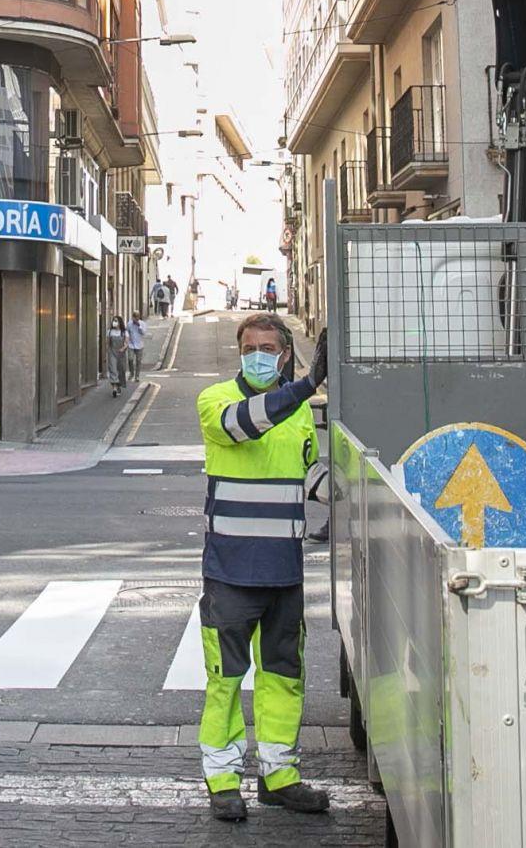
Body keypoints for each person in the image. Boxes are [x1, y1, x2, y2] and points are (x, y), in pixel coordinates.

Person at [192, 312, 329, 821]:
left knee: (283, 677)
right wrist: (309, 385)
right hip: (230, 571)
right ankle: (223, 781)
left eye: (269, 348)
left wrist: (351, 490)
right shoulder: (217, 400)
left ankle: (279, 775)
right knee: (224, 681)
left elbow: (307, 472)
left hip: (283, 572)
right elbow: (242, 425)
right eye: (250, 347)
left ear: (285, 353)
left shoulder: (296, 413)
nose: (258, 355)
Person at [105, 315, 129, 395]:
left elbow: (126, 343)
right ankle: (114, 388)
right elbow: (107, 344)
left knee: (121, 370)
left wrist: (123, 348)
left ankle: (118, 385)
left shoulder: (124, 332)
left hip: (121, 353)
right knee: (113, 370)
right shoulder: (109, 332)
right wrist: (106, 353)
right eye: (113, 321)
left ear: (119, 322)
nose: (114, 322)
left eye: (116, 321)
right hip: (112, 352)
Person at [125, 311, 148, 381]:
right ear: (133, 317)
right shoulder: (129, 324)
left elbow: (143, 333)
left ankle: (137, 376)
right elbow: (126, 332)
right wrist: (126, 339)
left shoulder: (142, 324)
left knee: (138, 361)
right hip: (131, 344)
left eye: (137, 317)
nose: (136, 319)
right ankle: (132, 373)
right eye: (134, 317)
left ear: (139, 317)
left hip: (139, 344)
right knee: (130, 359)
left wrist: (139, 326)